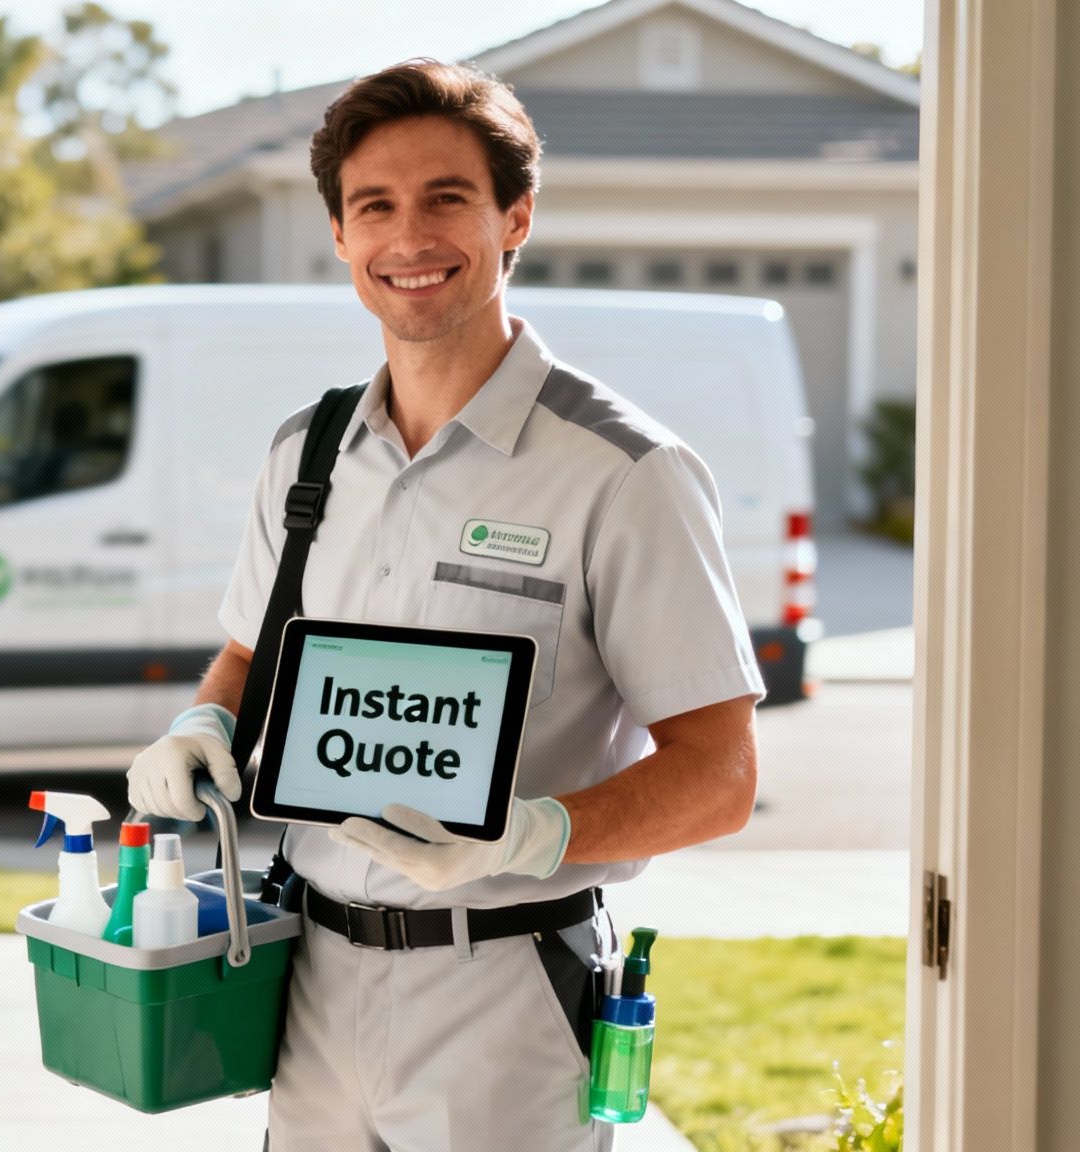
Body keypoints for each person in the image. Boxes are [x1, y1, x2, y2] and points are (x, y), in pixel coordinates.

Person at [126, 59, 764, 1151]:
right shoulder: (304, 453)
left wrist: (527, 834)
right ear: (337, 235)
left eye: (445, 199)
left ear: (514, 216)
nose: (406, 237)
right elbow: (248, 661)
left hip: (506, 995)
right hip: (309, 983)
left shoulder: (622, 471)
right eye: (373, 205)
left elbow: (720, 779)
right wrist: (199, 726)